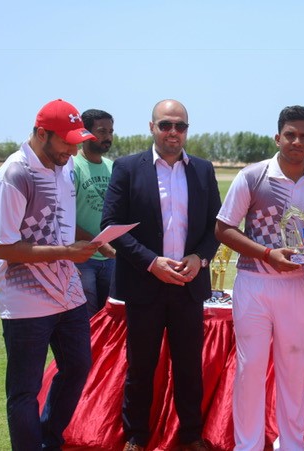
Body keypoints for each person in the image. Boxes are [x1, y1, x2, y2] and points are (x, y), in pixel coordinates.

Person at [101, 99, 221, 451]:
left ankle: (191, 435)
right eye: (165, 125)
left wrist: (200, 258)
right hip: (144, 285)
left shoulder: (203, 169)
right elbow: (111, 225)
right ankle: (136, 437)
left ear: (187, 130)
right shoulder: (127, 168)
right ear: (151, 127)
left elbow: (217, 225)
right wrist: (152, 262)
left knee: (189, 368)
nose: (173, 132)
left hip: (188, 285)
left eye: (180, 126)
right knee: (141, 368)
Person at [215, 105, 304, 451]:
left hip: (298, 287)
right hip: (254, 283)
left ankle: (293, 445)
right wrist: (267, 254)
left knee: (294, 371)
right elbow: (223, 228)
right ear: (277, 137)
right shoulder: (253, 176)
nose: (296, 141)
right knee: (250, 369)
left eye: (303, 136)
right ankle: (247, 445)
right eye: (290, 135)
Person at [0, 99, 99, 450]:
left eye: (76, 142)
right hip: (26, 300)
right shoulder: (13, 175)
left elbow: (59, 224)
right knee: (24, 389)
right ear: (41, 134)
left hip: (68, 292)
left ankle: (49, 440)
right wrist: (67, 253)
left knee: (78, 367)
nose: (73, 150)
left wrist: (97, 242)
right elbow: (2, 247)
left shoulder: (64, 167)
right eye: (66, 141)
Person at [73, 108, 116, 316]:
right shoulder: (72, 167)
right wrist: (98, 244)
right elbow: (64, 220)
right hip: (82, 258)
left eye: (111, 131)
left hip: (111, 258)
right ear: (85, 132)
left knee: (110, 317)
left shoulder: (112, 167)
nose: (108, 137)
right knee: (86, 319)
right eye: (102, 131)